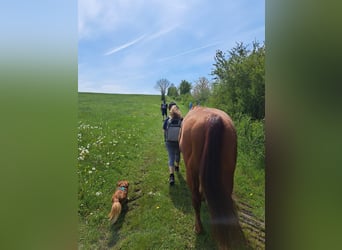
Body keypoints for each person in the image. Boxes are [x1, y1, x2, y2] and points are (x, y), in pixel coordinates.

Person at [163, 103, 182, 185]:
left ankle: (171, 176)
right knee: (177, 154)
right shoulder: (181, 120)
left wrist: (165, 139)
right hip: (178, 141)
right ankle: (177, 166)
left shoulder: (167, 120)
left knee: (171, 157)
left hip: (169, 141)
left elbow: (164, 130)